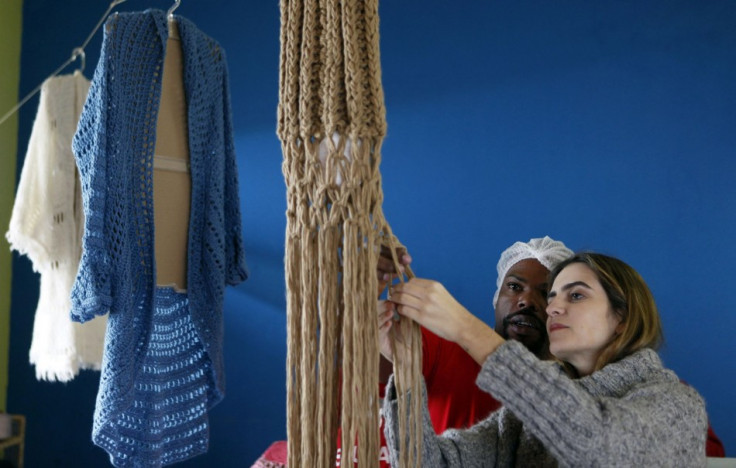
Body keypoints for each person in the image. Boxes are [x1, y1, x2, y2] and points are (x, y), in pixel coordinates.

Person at [381, 252, 708, 466]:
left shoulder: (677, 405)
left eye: (576, 295)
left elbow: (596, 445)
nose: (551, 308)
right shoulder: (519, 422)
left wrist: (467, 330)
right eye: (553, 298)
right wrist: (408, 370)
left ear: (622, 317)